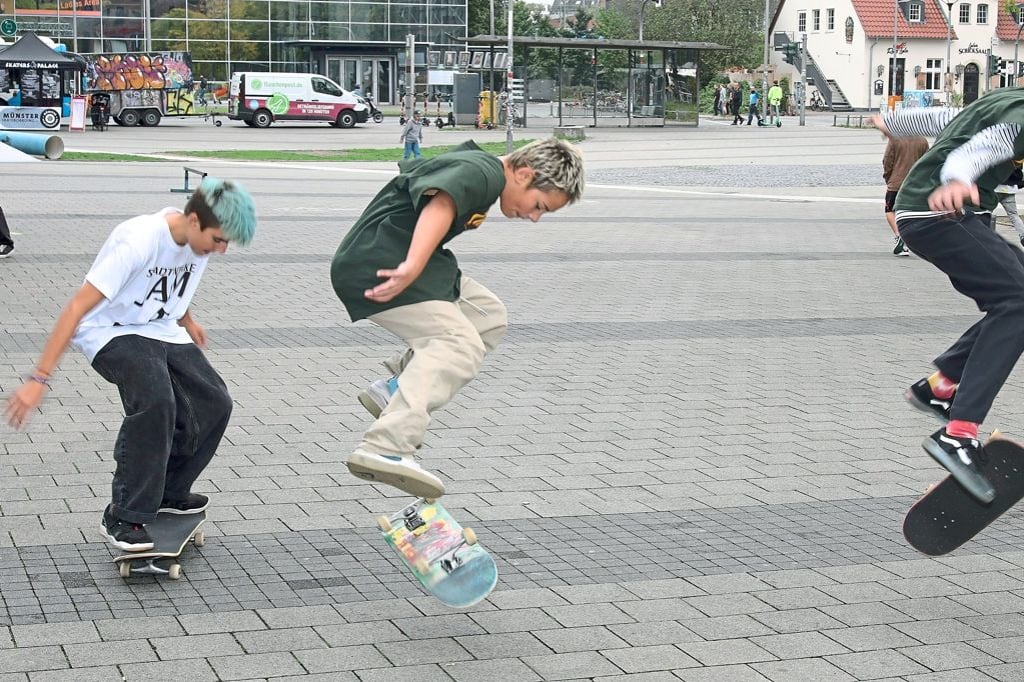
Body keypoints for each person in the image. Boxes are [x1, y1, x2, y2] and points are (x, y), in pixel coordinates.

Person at [4, 177, 257, 551]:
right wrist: (38, 378)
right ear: (192, 221)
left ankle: (170, 493)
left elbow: (170, 283)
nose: (220, 250)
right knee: (157, 402)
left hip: (162, 328)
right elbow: (76, 308)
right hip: (110, 331)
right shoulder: (137, 240)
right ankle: (124, 513)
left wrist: (187, 319)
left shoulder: (195, 242)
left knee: (214, 402)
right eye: (218, 239)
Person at [330, 138, 585, 498]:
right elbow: (441, 205)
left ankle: (395, 391)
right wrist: (412, 265)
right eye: (539, 205)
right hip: (383, 265)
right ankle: (387, 445)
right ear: (525, 174)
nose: (534, 217)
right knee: (456, 343)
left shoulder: (483, 169)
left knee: (488, 317)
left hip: (405, 262)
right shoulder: (482, 173)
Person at [871, 87, 1024, 504]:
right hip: (940, 215)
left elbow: (948, 119)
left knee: (1016, 300)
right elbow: (978, 149)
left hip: (937, 216)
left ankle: (939, 387)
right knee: (1018, 304)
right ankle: (959, 434)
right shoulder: (1019, 117)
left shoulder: (1007, 99)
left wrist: (893, 122)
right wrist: (957, 178)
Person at [882, 135, 929, 256]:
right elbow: (927, 162)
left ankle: (899, 235)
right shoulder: (922, 140)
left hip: (896, 183)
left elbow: (887, 160)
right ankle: (908, 238)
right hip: (914, 184)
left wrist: (888, 177)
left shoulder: (895, 139)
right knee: (909, 211)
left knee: (890, 210)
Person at [989, 160, 1024, 245]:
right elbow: (1020, 174)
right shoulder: (1016, 157)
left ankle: (987, 236)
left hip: (996, 189)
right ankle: (1023, 235)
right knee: (1013, 215)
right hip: (1009, 190)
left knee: (987, 213)